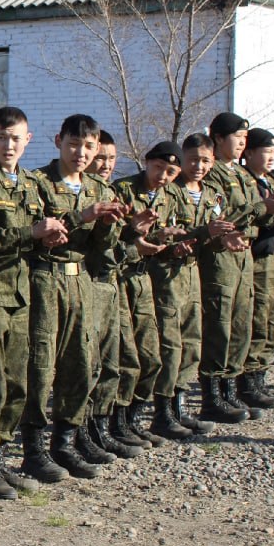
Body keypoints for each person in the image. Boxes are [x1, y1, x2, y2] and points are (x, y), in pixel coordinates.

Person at [0, 106, 67, 500]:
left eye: (16, 138)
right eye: (2, 137)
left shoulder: (31, 184)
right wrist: (31, 233)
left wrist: (49, 236)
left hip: (20, 296)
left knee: (18, 384)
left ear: (28, 140)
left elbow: (41, 230)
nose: (9, 145)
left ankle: (1, 457)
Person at [22, 115, 128, 481]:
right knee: (39, 364)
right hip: (45, 279)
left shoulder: (100, 188)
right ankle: (33, 449)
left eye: (88, 146)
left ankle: (65, 441)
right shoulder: (36, 183)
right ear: (58, 141)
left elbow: (102, 249)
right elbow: (35, 231)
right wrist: (83, 216)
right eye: (73, 144)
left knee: (81, 362)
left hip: (80, 279)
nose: (80, 153)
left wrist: (108, 226)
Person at [199, 112, 274, 423]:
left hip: (244, 256)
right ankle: (213, 396)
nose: (242, 143)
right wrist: (259, 208)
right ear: (218, 140)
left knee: (242, 323)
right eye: (237, 138)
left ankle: (231, 389)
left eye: (243, 139)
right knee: (221, 325)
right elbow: (220, 216)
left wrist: (271, 208)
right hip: (220, 259)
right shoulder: (212, 176)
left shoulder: (241, 176)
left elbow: (255, 214)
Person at [111, 142, 185, 446]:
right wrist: (141, 235)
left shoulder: (172, 196)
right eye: (158, 168)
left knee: (153, 357)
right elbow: (113, 241)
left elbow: (167, 233)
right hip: (122, 278)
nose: (163, 175)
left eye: (171, 171)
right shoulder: (124, 189)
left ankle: (132, 418)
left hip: (148, 279)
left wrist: (171, 242)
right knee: (127, 358)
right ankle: (116, 422)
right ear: (147, 162)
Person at [151, 134, 225, 438]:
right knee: (170, 344)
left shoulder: (211, 194)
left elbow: (212, 233)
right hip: (168, 274)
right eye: (192, 159)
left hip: (193, 273)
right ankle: (163, 411)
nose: (198, 166)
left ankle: (180, 407)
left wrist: (221, 238)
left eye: (205, 160)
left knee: (191, 341)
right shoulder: (171, 192)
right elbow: (161, 233)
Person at [84, 132, 142, 459]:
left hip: (111, 283)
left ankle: (105, 426)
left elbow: (114, 245)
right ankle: (85, 431)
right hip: (89, 284)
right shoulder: (83, 197)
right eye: (100, 157)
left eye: (110, 158)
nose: (105, 164)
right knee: (89, 364)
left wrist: (136, 233)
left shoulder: (110, 192)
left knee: (117, 360)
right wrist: (133, 246)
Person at [239, 130, 274, 408]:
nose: (271, 157)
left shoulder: (273, 180)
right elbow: (253, 215)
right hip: (260, 258)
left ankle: (260, 374)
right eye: (265, 151)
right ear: (248, 153)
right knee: (258, 320)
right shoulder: (245, 181)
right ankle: (248, 379)